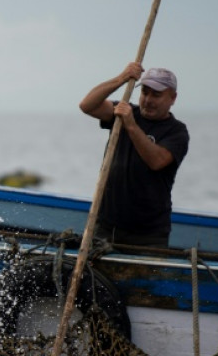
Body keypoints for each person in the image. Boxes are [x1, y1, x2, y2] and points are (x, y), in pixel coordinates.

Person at [79, 62, 189, 247]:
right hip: (106, 225)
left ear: (173, 98)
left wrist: (130, 124)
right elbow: (87, 105)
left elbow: (156, 161)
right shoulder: (126, 112)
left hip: (148, 234)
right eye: (145, 92)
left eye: (156, 95)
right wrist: (122, 78)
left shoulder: (177, 132)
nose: (148, 100)